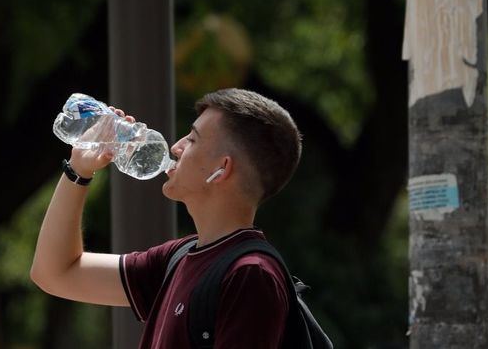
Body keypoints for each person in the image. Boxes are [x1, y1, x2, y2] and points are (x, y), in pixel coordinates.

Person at [30, 88, 303, 348]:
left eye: (192, 139)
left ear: (222, 169)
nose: (175, 147)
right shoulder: (177, 258)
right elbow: (55, 273)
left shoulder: (250, 274)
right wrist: (79, 170)